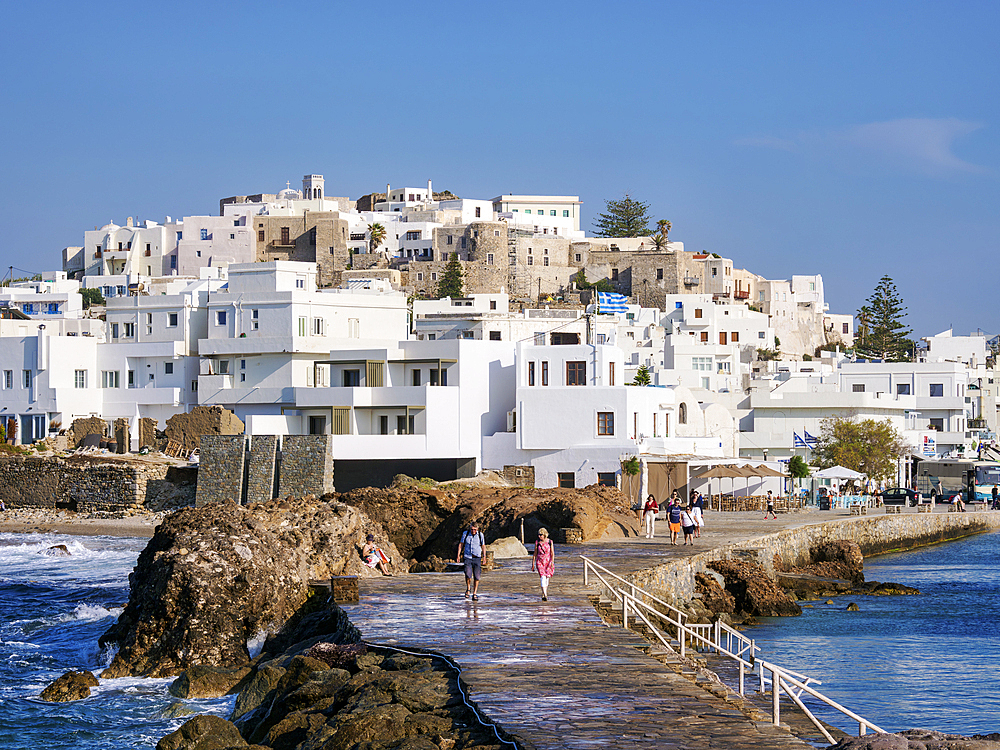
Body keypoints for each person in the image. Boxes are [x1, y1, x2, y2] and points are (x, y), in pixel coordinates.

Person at [457, 521, 486, 601]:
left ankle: (475, 593)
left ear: (477, 529)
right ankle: (468, 588)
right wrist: (458, 555)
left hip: (477, 557)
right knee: (468, 574)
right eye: (472, 529)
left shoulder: (480, 535)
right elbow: (461, 544)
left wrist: (484, 556)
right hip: (467, 557)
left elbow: (483, 546)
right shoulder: (465, 534)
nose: (473, 531)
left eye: (475, 529)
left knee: (477, 576)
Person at [531, 527, 555, 600]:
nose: (539, 536)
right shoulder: (537, 542)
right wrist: (533, 563)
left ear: (544, 534)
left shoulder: (550, 542)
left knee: (547, 577)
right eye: (538, 534)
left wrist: (552, 562)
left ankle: (544, 593)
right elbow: (535, 553)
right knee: (542, 577)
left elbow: (552, 553)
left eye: (541, 535)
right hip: (540, 561)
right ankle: (545, 594)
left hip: (548, 561)